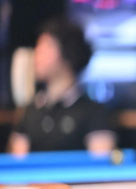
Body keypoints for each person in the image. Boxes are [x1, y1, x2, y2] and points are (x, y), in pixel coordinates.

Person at [7, 18, 116, 155]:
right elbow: (18, 162)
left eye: (46, 46)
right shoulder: (30, 111)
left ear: (68, 52)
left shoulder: (93, 112)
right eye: (38, 46)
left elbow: (101, 163)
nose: (37, 53)